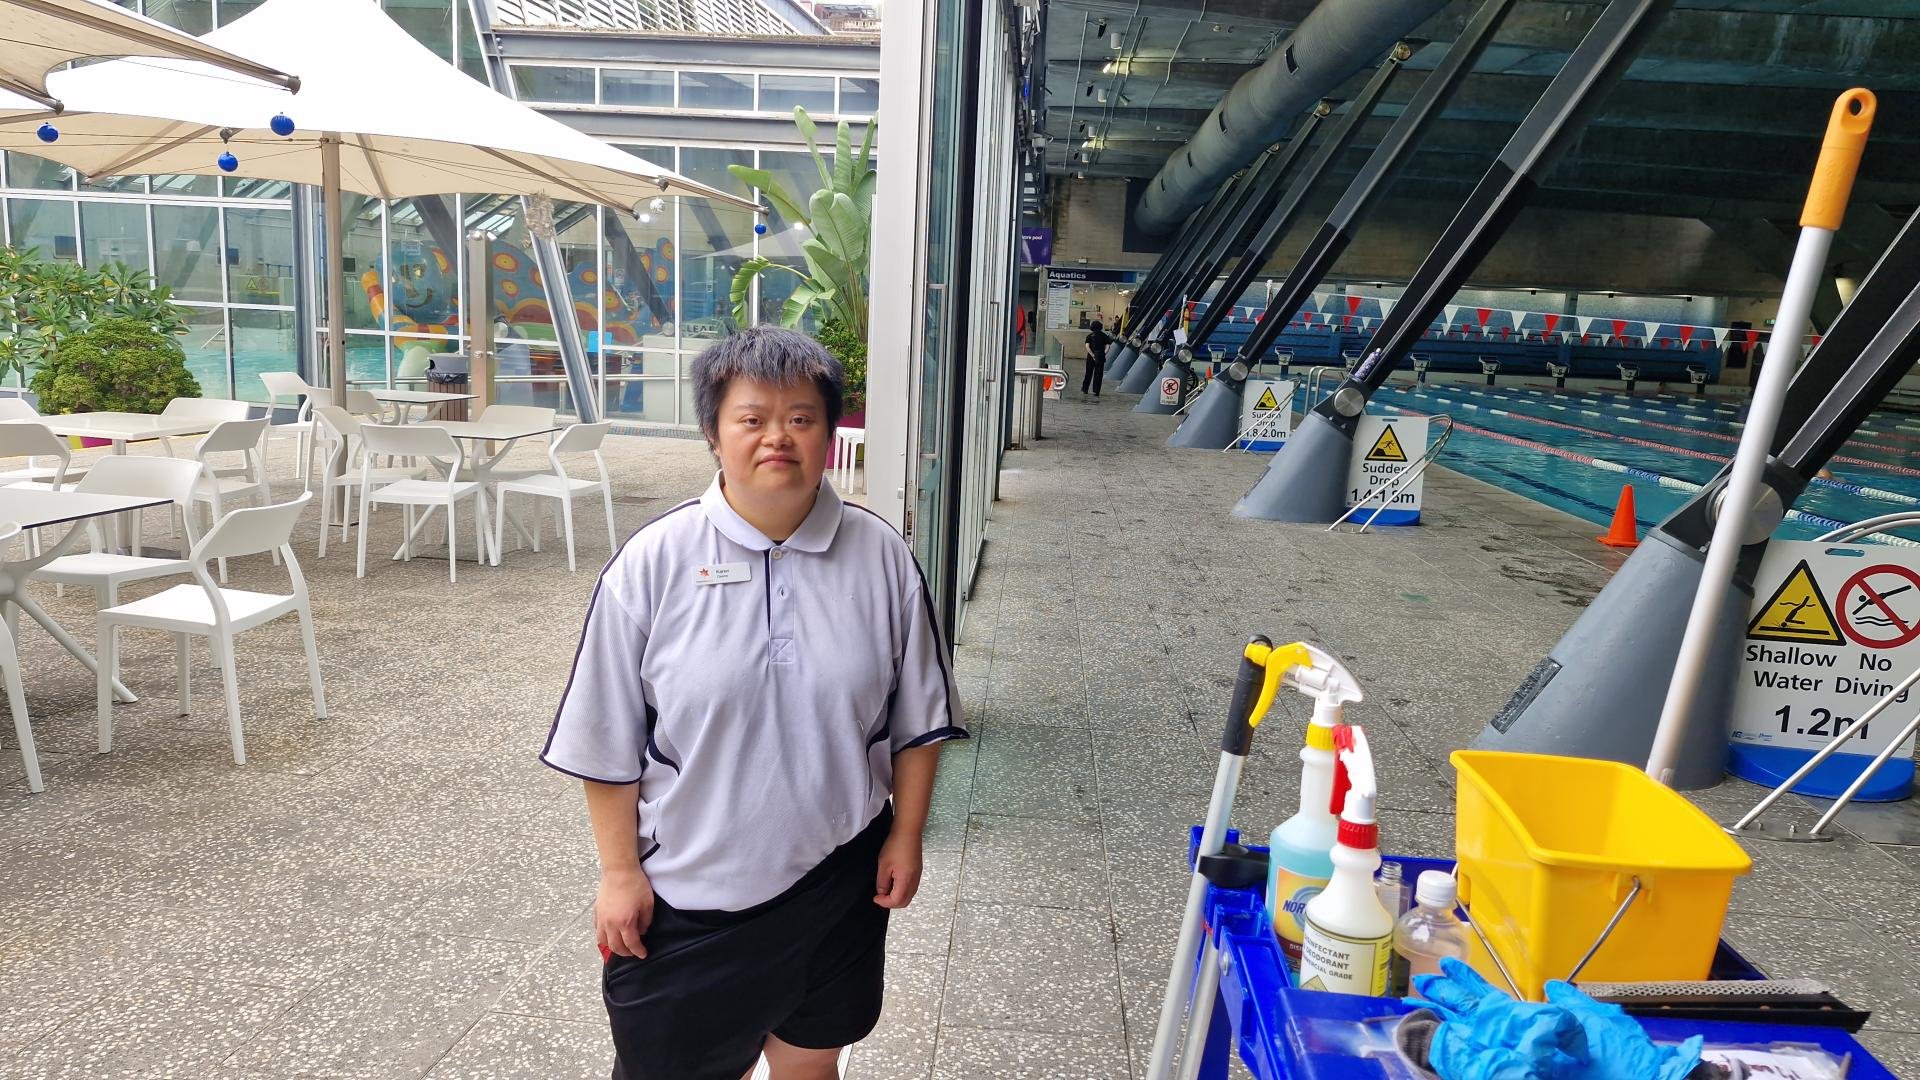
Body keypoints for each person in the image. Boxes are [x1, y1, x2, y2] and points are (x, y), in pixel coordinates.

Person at [541, 326, 968, 1080]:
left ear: (832, 433)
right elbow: (603, 735)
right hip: (690, 895)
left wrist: (907, 837)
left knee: (811, 1066)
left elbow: (917, 721)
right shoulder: (653, 564)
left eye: (802, 418)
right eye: (752, 418)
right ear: (714, 433)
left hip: (838, 881)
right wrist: (618, 874)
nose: (779, 436)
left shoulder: (882, 559)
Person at [1083, 318, 1112, 399]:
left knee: (1088, 373)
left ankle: (1085, 389)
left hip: (1091, 357)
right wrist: (1104, 353)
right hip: (1100, 356)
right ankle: (1096, 391)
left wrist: (1092, 355)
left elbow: (1087, 347)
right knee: (1098, 374)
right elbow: (1108, 346)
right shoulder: (1104, 336)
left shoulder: (1089, 336)